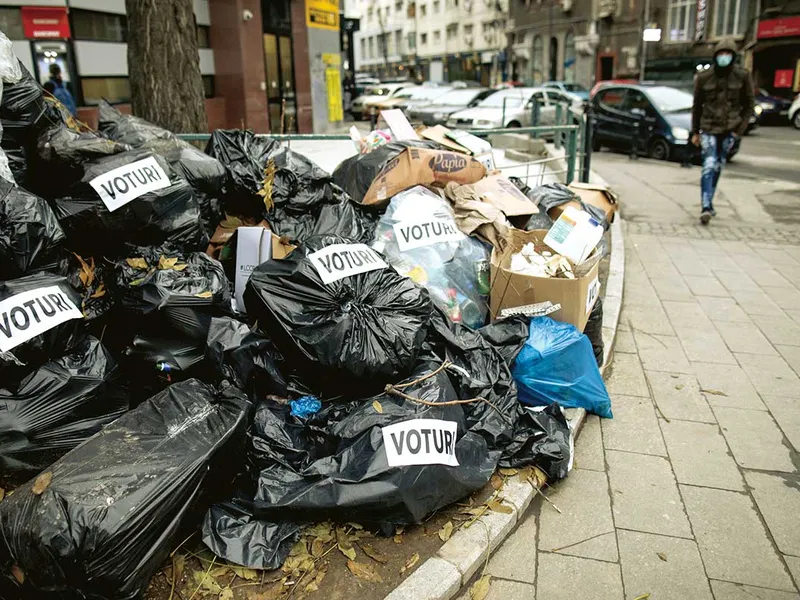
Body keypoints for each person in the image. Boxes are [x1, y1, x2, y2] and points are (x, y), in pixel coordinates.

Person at [691, 39, 754, 225]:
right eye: (720, 54)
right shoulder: (704, 77)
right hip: (709, 127)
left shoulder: (742, 77)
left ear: (733, 57)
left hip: (730, 128)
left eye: (727, 54)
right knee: (709, 164)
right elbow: (697, 106)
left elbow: (749, 104)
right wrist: (695, 131)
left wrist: (738, 131)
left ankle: (709, 201)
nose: (724, 58)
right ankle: (705, 205)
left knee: (718, 165)